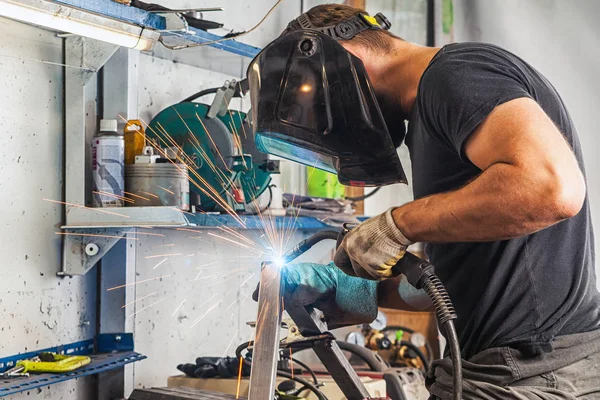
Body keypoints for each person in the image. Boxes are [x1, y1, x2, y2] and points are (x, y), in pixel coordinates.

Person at [249, 4, 600, 399]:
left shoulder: (456, 76)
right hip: (518, 368)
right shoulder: (432, 112)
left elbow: (552, 188)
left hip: (530, 373)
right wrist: (363, 293)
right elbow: (473, 276)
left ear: (342, 56)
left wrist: (397, 224)